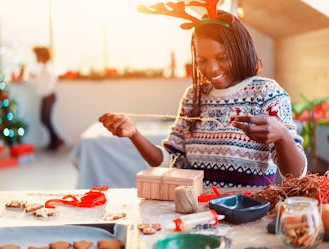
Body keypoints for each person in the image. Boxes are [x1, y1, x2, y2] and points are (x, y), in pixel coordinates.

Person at [99, 6, 307, 187]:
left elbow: (296, 175)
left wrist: (282, 135)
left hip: (249, 214)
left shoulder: (268, 94)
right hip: (197, 213)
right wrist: (134, 134)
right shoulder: (193, 97)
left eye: (222, 58)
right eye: (202, 60)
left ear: (241, 50)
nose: (212, 69)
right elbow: (170, 161)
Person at [30, 45, 64, 151]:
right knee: (45, 120)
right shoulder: (44, 69)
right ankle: (55, 140)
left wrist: (34, 79)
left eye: (37, 56)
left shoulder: (47, 69)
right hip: (47, 97)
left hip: (48, 96)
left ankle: (57, 140)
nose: (36, 58)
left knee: (45, 120)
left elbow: (43, 87)